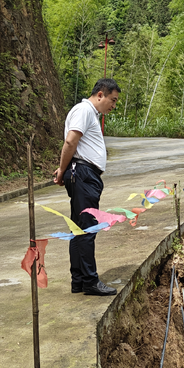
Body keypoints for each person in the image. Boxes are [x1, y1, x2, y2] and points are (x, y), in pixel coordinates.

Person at [53, 78, 121, 296]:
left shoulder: (90, 113)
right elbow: (71, 142)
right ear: (100, 94)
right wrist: (62, 170)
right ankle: (90, 281)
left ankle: (79, 280)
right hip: (83, 174)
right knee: (87, 229)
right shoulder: (84, 110)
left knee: (78, 230)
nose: (113, 105)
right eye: (112, 100)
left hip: (84, 174)